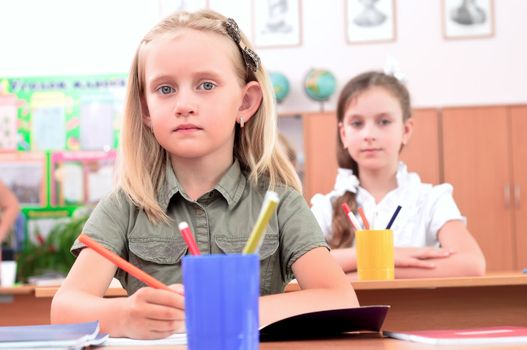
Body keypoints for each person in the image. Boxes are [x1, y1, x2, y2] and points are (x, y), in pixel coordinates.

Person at [51, 10, 358, 339]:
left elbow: (340, 299)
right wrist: (122, 315)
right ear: (146, 110)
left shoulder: (280, 203)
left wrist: (226, 312)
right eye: (165, 89)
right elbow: (64, 308)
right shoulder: (126, 205)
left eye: (206, 85)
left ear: (246, 102)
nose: (184, 104)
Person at [310, 71, 486, 278]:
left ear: (406, 130)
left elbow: (471, 264)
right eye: (357, 124)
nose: (369, 135)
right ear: (343, 134)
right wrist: (390, 255)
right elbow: (295, 268)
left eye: (383, 122)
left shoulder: (431, 200)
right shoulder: (325, 207)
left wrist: (360, 274)